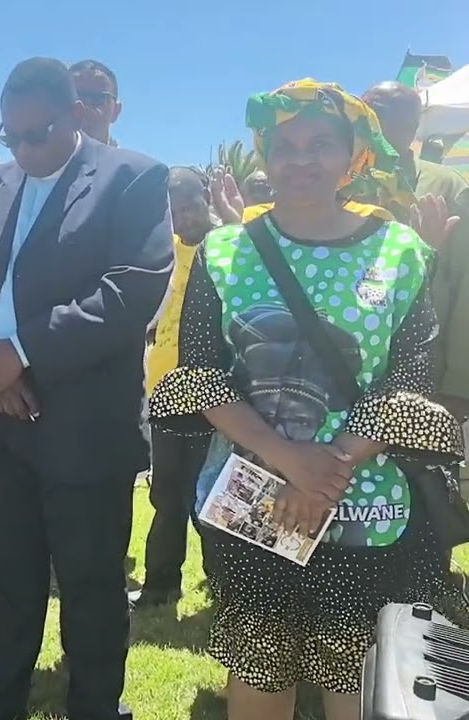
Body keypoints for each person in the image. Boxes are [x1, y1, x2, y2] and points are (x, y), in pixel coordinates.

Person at [149, 79, 467, 720]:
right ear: (264, 154)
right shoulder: (225, 251)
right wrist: (287, 459)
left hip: (366, 503)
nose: (301, 159)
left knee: (349, 673)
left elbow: (409, 378)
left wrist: (327, 468)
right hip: (251, 498)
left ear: (355, 156)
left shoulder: (402, 253)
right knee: (262, 667)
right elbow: (201, 375)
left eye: (321, 143)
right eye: (285, 144)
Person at [0, 58, 171, 720]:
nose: (24, 149)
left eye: (38, 134)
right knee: (7, 583)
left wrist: (24, 353)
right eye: (11, 136)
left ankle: (95, 706)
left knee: (92, 588)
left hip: (83, 426)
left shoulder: (132, 179)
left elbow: (133, 287)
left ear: (75, 116)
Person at [361, 82, 469, 464]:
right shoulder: (339, 185)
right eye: (375, 114)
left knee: (424, 502)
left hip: (426, 378)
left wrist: (458, 386)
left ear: (415, 126)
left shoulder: (447, 187)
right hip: (344, 377)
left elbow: (464, 291)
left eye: (400, 117)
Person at [131, 167, 216, 610]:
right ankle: (160, 585)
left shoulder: (226, 252)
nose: (184, 218)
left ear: (208, 198)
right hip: (165, 395)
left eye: (191, 206)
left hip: (217, 402)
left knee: (212, 499)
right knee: (167, 495)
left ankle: (227, 585)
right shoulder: (163, 253)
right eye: (175, 211)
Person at [71, 59, 121, 146]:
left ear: (116, 111)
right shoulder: (41, 158)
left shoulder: (131, 160)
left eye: (98, 99)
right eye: (76, 97)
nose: (85, 107)